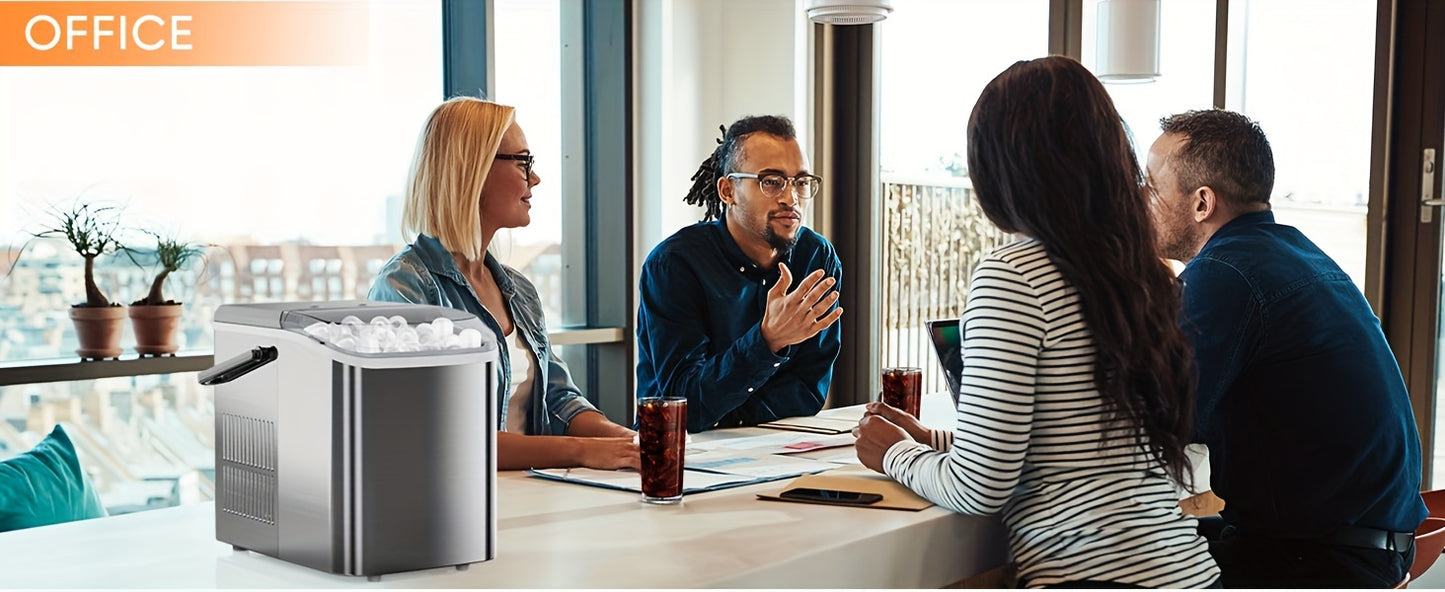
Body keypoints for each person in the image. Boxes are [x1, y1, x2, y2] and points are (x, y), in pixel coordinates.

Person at [855, 56, 1220, 588]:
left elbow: (980, 488)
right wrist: (934, 440)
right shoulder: (1143, 274)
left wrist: (894, 454)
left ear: (1003, 167)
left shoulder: (1012, 275)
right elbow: (1079, 449)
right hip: (1185, 574)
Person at [1146, 108, 1426, 588]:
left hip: (1319, 563)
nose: (1139, 201)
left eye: (1150, 187)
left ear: (1201, 203)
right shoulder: (1297, 254)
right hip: (1364, 547)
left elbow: (1155, 415)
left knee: (1105, 567)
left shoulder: (1225, 274)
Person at [370, 97, 639, 471]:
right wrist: (580, 450)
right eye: (524, 162)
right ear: (472, 169)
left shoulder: (518, 289)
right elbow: (440, 436)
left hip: (528, 495)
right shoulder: (405, 288)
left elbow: (559, 400)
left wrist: (630, 440)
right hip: (455, 506)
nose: (536, 178)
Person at [635, 115, 844, 433]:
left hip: (778, 448)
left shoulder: (816, 257)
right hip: (681, 457)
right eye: (772, 181)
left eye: (800, 182)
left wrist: (734, 417)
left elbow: (808, 390)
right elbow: (682, 406)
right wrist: (768, 341)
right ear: (728, 190)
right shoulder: (674, 264)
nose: (791, 198)